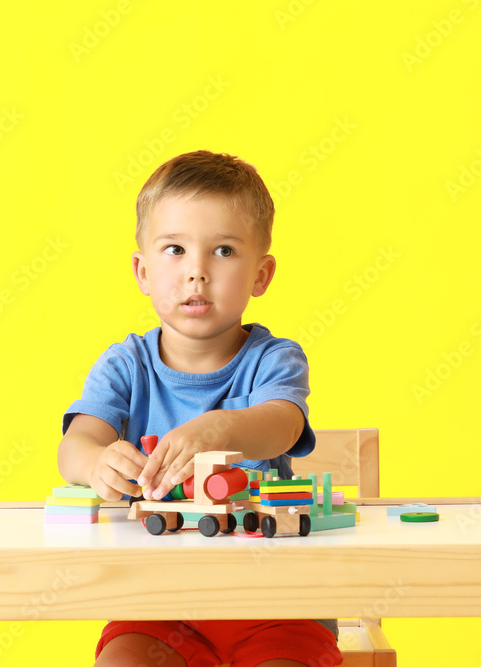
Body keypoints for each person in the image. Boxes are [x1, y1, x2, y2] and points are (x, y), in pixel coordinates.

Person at [58, 150, 342, 667]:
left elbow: (282, 423)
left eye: (224, 251)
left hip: (276, 603)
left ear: (261, 275)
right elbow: (75, 445)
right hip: (157, 607)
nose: (197, 273)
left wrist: (221, 428)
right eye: (174, 249)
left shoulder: (273, 359)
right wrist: (97, 462)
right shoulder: (125, 366)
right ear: (142, 271)